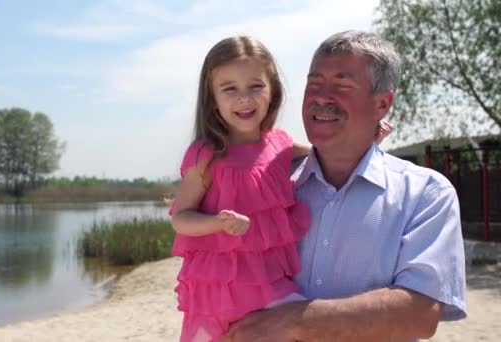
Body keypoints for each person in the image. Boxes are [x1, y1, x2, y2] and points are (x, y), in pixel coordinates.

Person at [225, 30, 467, 342]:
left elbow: (420, 313)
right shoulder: (271, 189)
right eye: (314, 84)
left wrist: (297, 321)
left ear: (382, 103)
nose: (321, 97)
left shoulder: (426, 195)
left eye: (342, 85)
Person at [170, 36, 391, 342]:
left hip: (270, 285)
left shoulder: (280, 144)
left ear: (272, 89)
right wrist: (216, 223)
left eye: (255, 86)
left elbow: (327, 152)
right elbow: (180, 217)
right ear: (212, 97)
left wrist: (365, 137)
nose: (244, 98)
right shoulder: (207, 155)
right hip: (217, 292)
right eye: (229, 88)